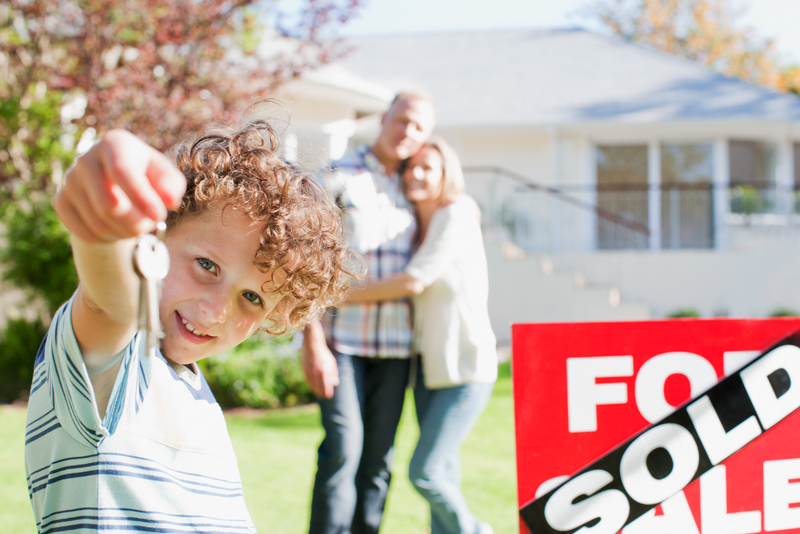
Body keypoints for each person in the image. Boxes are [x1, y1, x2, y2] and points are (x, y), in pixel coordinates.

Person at [25, 118, 355, 533]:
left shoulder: (187, 385)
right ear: (155, 238)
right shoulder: (120, 365)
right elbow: (108, 303)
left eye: (252, 298)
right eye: (206, 265)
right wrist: (105, 214)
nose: (217, 309)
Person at [346, 137, 498, 534]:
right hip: (430, 369)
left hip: (466, 368)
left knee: (426, 472)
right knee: (445, 470)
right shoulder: (416, 226)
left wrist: (337, 295)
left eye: (428, 168)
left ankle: (473, 530)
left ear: (448, 173)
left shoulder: (457, 212)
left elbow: (413, 281)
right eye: (411, 167)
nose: (416, 174)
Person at [303, 92, 436, 534]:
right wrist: (313, 342)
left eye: (419, 127)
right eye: (402, 121)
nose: (408, 133)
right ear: (384, 119)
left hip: (398, 349)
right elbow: (307, 263)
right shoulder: (338, 176)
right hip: (343, 343)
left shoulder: (418, 187)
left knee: (379, 461)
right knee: (343, 449)